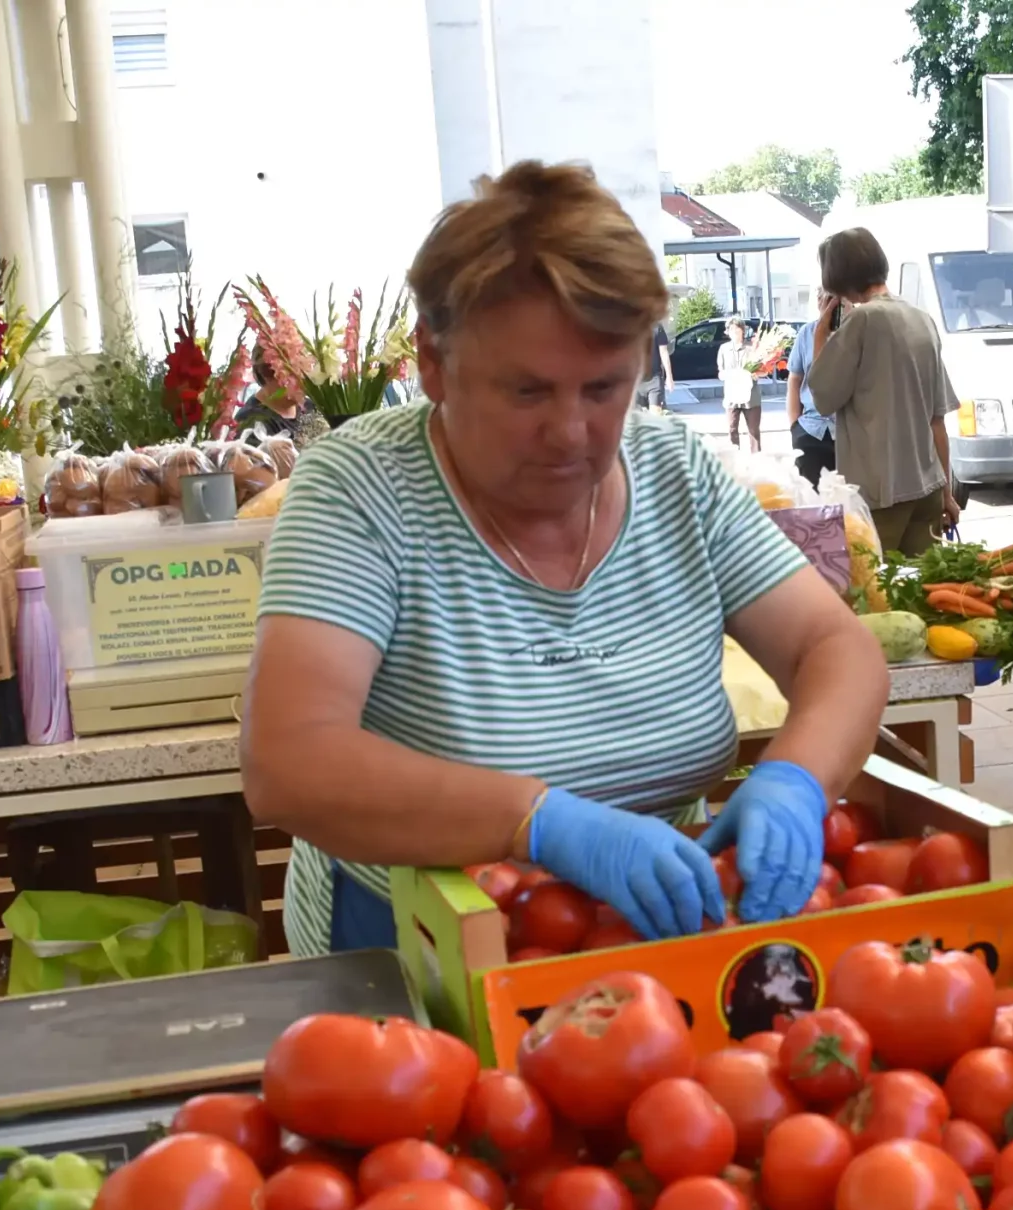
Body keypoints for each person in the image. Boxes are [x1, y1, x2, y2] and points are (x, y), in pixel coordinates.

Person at [239, 160, 889, 956]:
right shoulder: (361, 489)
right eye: (527, 392)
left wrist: (796, 778)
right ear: (433, 362)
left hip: (656, 927)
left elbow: (835, 648)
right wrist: (535, 820)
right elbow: (290, 761)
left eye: (604, 388)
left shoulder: (674, 472)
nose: (571, 432)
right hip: (417, 936)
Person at [804, 227, 961, 555]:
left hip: (879, 494)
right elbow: (937, 420)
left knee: (874, 583)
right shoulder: (922, 319)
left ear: (836, 275)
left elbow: (823, 397)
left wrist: (821, 333)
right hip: (928, 486)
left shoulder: (862, 321)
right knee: (926, 582)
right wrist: (947, 493)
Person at [784, 315, 835, 487]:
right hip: (810, 430)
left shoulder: (858, 330)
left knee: (848, 497)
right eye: (825, 301)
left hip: (848, 432)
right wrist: (795, 426)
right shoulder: (807, 332)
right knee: (810, 495)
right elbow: (794, 378)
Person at [718, 317, 763, 450]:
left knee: (753, 431)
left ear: (743, 331)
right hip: (732, 396)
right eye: (731, 330)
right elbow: (720, 373)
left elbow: (763, 371)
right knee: (732, 428)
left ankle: (757, 458)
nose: (735, 332)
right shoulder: (724, 349)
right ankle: (734, 456)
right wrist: (726, 375)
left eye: (737, 329)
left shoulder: (751, 348)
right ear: (727, 332)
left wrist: (756, 374)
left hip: (751, 396)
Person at [639, 321, 673, 412]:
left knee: (655, 414)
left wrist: (669, 377)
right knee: (637, 416)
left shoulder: (657, 327)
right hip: (634, 381)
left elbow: (664, 352)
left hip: (654, 379)